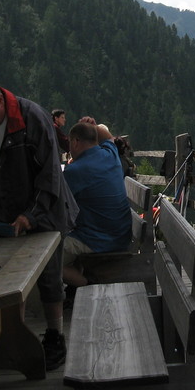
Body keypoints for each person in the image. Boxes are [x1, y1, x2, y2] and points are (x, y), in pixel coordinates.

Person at [0, 79, 78, 371]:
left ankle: (55, 336)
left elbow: (49, 175)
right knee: (8, 280)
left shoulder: (31, 117)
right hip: (1, 212)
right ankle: (15, 339)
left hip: (45, 210)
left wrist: (30, 216)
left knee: (50, 278)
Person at [61, 119, 132, 291]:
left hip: (98, 240)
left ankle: (87, 285)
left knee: (44, 259)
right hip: (121, 235)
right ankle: (76, 285)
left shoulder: (74, 171)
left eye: (70, 143)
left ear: (76, 142)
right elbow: (104, 132)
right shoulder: (110, 153)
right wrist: (93, 126)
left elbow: (56, 206)